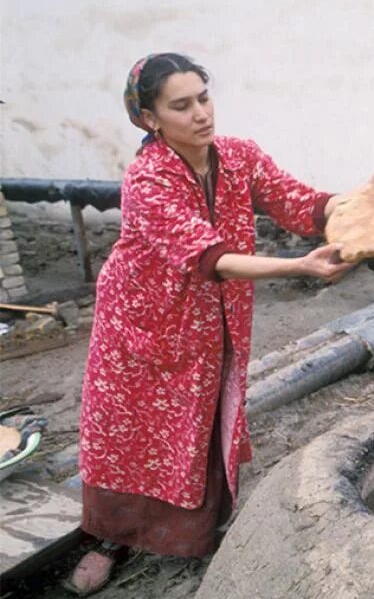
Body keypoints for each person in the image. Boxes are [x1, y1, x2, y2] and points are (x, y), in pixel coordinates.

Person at [66, 53, 358, 595]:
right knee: (132, 436)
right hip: (143, 324)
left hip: (214, 321)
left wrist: (363, 201)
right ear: (150, 118)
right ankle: (111, 537)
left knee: (200, 422)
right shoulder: (147, 179)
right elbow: (211, 257)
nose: (201, 113)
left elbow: (300, 203)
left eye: (204, 97)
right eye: (181, 105)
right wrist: (300, 266)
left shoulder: (239, 156)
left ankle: (192, 538)